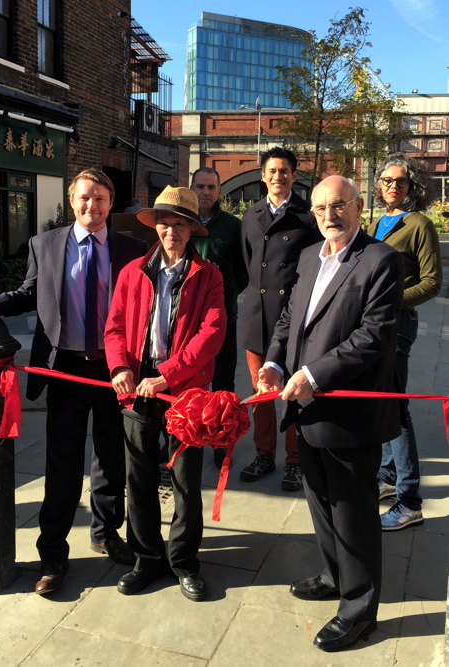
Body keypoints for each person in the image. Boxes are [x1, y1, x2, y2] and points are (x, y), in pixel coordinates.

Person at [0, 168, 145, 596]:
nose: (91, 205)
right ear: (71, 200)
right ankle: (53, 554)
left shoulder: (133, 249)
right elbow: (29, 290)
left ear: (111, 202)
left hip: (114, 370)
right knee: (61, 464)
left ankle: (105, 532)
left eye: (100, 198)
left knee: (110, 459)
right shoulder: (44, 245)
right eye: (84, 197)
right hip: (64, 368)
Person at [259, 175, 403, 652]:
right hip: (304, 406)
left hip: (346, 411)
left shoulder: (380, 261)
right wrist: (276, 363)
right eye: (320, 207)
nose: (328, 215)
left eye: (338, 205)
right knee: (319, 499)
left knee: (353, 510)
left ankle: (360, 609)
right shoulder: (308, 257)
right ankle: (335, 573)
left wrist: (314, 375)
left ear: (359, 206)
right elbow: (288, 319)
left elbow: (373, 335)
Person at [105, 186, 226, 602]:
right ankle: (146, 559)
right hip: (137, 387)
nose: (170, 231)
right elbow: (115, 327)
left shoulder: (208, 275)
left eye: (179, 224)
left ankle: (184, 562)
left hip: (186, 393)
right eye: (164, 223)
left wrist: (168, 376)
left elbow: (212, 335)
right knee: (138, 480)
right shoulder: (132, 272)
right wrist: (120, 366)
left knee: (185, 482)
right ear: (154, 227)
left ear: (192, 229)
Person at [239, 147, 321, 490]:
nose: (278, 177)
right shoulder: (250, 215)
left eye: (284, 171)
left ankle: (296, 459)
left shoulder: (307, 216)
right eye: (272, 171)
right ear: (263, 175)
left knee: (294, 393)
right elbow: (248, 263)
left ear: (294, 175)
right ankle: (263, 453)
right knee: (262, 394)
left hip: (293, 318)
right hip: (257, 319)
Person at [369, 153, 442, 531]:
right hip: (373, 325)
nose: (393, 186)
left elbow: (432, 282)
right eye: (387, 180)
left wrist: (391, 299)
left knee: (396, 408)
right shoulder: (378, 222)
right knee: (381, 400)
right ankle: (386, 476)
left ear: (413, 186)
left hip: (397, 324)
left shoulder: (419, 225)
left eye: (401, 181)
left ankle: (410, 500)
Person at [190, 167, 249, 469]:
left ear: (220, 190)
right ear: (192, 188)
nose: (206, 192)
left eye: (211, 187)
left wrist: (222, 292)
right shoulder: (182, 222)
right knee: (189, 382)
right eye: (200, 186)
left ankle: (220, 439)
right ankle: (188, 434)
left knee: (223, 384)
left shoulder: (232, 227)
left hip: (224, 318)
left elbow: (243, 273)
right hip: (188, 322)